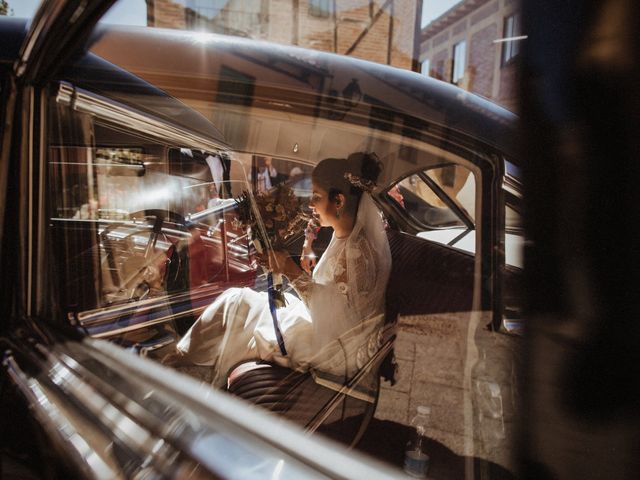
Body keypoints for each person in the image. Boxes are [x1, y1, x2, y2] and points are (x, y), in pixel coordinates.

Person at [167, 152, 392, 393]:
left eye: (316, 196)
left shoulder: (358, 253)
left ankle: (181, 372)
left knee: (239, 306)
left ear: (338, 201)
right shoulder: (344, 234)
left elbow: (336, 320)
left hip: (335, 349)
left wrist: (289, 269)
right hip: (325, 327)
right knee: (237, 300)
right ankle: (184, 366)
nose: (311, 204)